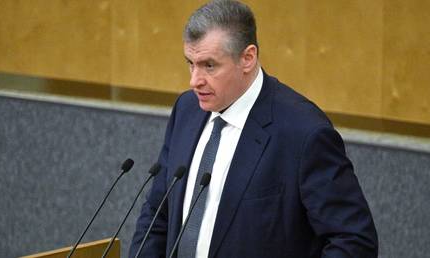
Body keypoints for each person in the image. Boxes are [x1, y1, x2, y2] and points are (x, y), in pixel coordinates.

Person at [129, 0, 378, 257]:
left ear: (248, 58)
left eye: (209, 66)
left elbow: (353, 241)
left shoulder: (303, 133)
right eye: (190, 63)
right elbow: (158, 212)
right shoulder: (187, 109)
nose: (194, 81)